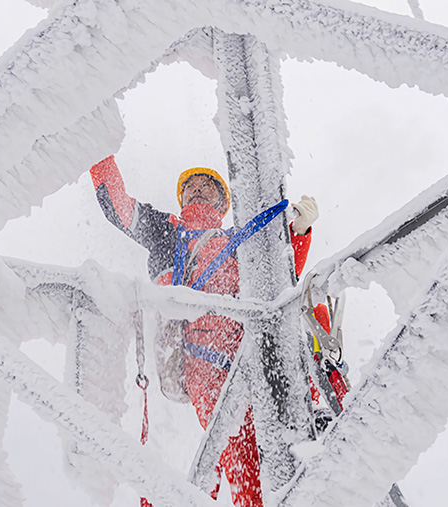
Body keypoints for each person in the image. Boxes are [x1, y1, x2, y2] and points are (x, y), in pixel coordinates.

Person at [89, 155, 318, 507]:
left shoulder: (243, 240)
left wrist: (298, 233)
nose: (196, 191)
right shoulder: (167, 232)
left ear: (223, 202)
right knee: (237, 447)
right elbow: (119, 207)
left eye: (206, 187)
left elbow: (276, 281)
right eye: (190, 188)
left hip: (250, 349)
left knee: (284, 435)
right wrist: (98, 148)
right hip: (201, 356)